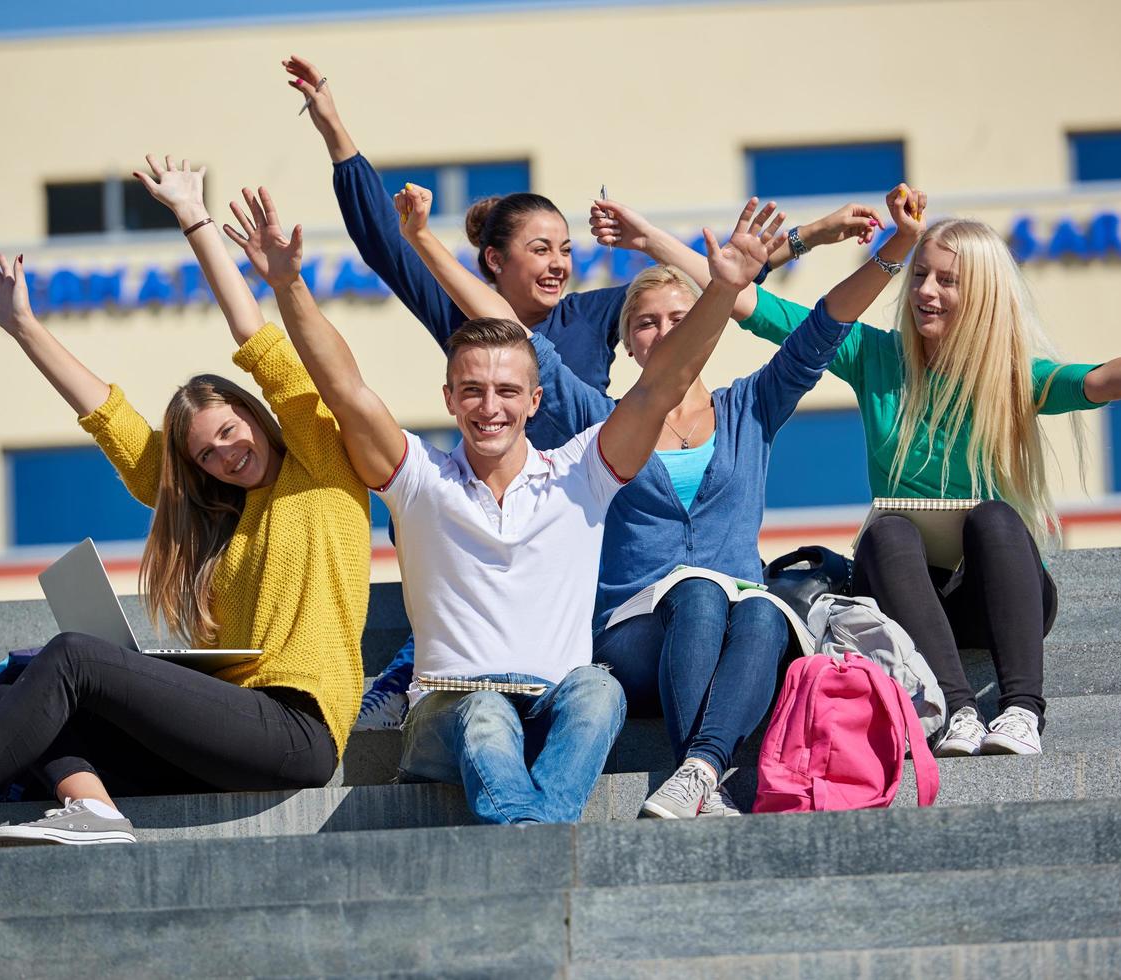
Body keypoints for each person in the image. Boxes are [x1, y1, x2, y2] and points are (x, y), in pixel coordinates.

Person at [285, 53, 885, 730]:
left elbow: (715, 293)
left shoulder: (599, 314)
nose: (559, 263)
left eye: (564, 248)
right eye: (540, 250)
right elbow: (383, 240)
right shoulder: (469, 317)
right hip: (490, 519)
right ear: (492, 263)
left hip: (583, 512)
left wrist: (814, 235)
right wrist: (335, 128)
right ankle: (413, 665)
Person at [0, 157, 370, 857]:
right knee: (18, 694)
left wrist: (194, 219)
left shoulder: (322, 465)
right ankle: (92, 813)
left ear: (255, 414)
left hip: (295, 729)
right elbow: (116, 424)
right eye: (205, 455)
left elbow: (262, 346)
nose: (223, 455)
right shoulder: (225, 517)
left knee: (71, 659)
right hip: (231, 729)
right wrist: (24, 326)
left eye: (229, 432)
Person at [223, 181, 786, 823]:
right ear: (449, 399)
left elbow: (660, 386)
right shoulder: (420, 480)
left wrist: (722, 290)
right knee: (487, 710)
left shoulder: (580, 474)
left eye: (506, 391)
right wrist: (289, 286)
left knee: (599, 689)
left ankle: (526, 833)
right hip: (451, 711)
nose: (490, 407)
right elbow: (345, 390)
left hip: (553, 707)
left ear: (535, 401)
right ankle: (535, 837)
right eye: (472, 391)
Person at [598, 187, 1121, 757]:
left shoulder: (1007, 374)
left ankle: (1023, 708)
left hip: (990, 593)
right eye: (921, 275)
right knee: (887, 529)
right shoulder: (874, 357)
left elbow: (1098, 381)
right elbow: (746, 300)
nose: (927, 291)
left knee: (997, 517)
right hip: (900, 594)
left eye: (948, 281)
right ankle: (959, 710)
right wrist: (650, 238)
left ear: (982, 296)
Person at [396, 181, 911, 816]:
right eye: (645, 322)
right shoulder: (604, 426)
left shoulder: (749, 407)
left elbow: (826, 325)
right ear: (629, 340)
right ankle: (700, 769)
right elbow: (510, 335)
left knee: (763, 610)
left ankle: (699, 770)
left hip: (737, 631)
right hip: (633, 636)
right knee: (697, 592)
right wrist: (421, 240)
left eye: (677, 317)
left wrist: (896, 250)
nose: (663, 331)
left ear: (704, 325)